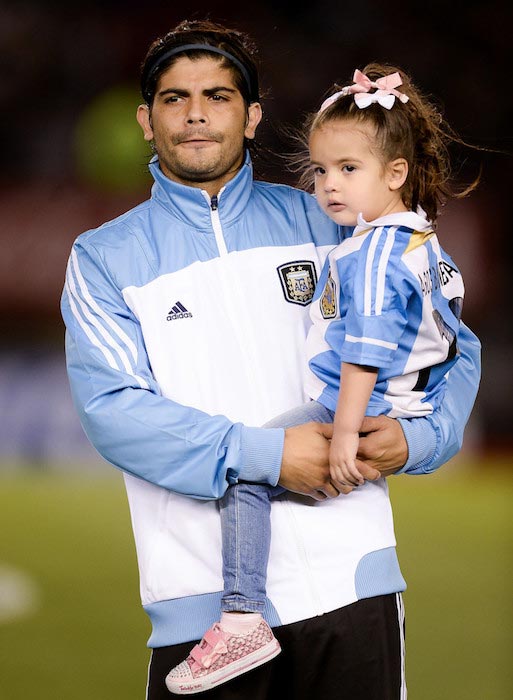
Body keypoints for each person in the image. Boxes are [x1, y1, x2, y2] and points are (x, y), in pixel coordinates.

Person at [60, 20, 481, 700]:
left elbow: (446, 339)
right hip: (204, 608)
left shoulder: (333, 219)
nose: (196, 112)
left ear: (252, 116)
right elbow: (115, 412)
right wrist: (265, 456)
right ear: (145, 119)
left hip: (349, 579)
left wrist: (420, 437)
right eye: (174, 98)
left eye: (218, 95)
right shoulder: (102, 258)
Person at [165, 64, 475, 695]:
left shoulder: (373, 250)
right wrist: (420, 423)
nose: (329, 186)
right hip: (397, 408)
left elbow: (365, 351)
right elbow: (451, 341)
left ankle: (241, 616)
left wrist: (340, 436)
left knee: (249, 466)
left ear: (396, 173)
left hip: (357, 405)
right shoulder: (418, 241)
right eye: (322, 171)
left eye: (349, 170)